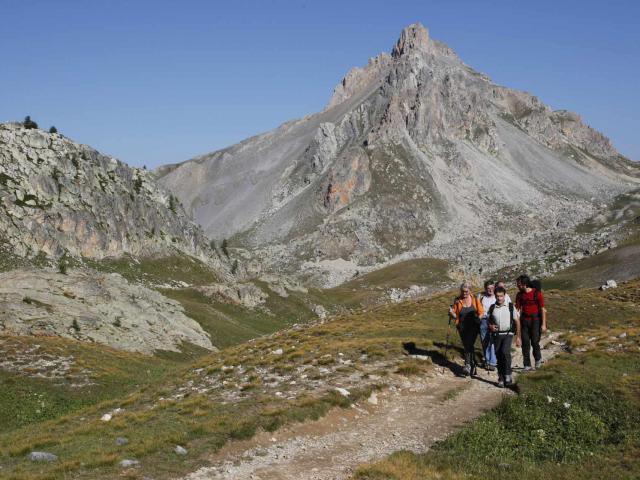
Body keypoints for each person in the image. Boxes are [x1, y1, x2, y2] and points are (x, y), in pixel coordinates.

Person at [449, 282, 484, 376]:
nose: (465, 293)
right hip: (462, 327)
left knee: (468, 344)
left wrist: (478, 319)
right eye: (463, 291)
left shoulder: (475, 299)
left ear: (470, 291)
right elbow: (455, 315)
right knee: (468, 346)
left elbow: (481, 312)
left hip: (474, 327)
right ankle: (473, 367)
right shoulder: (457, 300)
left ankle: (467, 365)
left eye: (466, 291)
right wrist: (452, 314)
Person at [488, 286, 521, 387]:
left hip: (508, 334)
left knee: (505, 352)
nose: (499, 298)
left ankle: (508, 375)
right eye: (497, 296)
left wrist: (518, 337)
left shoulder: (511, 307)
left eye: (501, 296)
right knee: (499, 355)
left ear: (505, 296)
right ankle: (501, 377)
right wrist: (491, 326)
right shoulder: (492, 307)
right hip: (497, 335)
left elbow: (517, 321)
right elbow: (489, 321)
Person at [515, 274, 546, 370]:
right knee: (525, 343)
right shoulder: (519, 295)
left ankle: (538, 360)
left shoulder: (537, 293)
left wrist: (543, 324)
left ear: (524, 284)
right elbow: (517, 309)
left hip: (535, 321)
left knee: (535, 342)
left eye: (519, 284)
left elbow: (543, 309)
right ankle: (527, 364)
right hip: (524, 321)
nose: (517, 286)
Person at [477, 280, 497, 371]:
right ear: (485, 289)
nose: (490, 290)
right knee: (485, 341)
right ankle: (488, 360)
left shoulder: (497, 296)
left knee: (493, 341)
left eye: (492, 288)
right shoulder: (481, 297)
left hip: (494, 320)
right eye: (488, 288)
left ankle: (492, 362)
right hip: (483, 320)